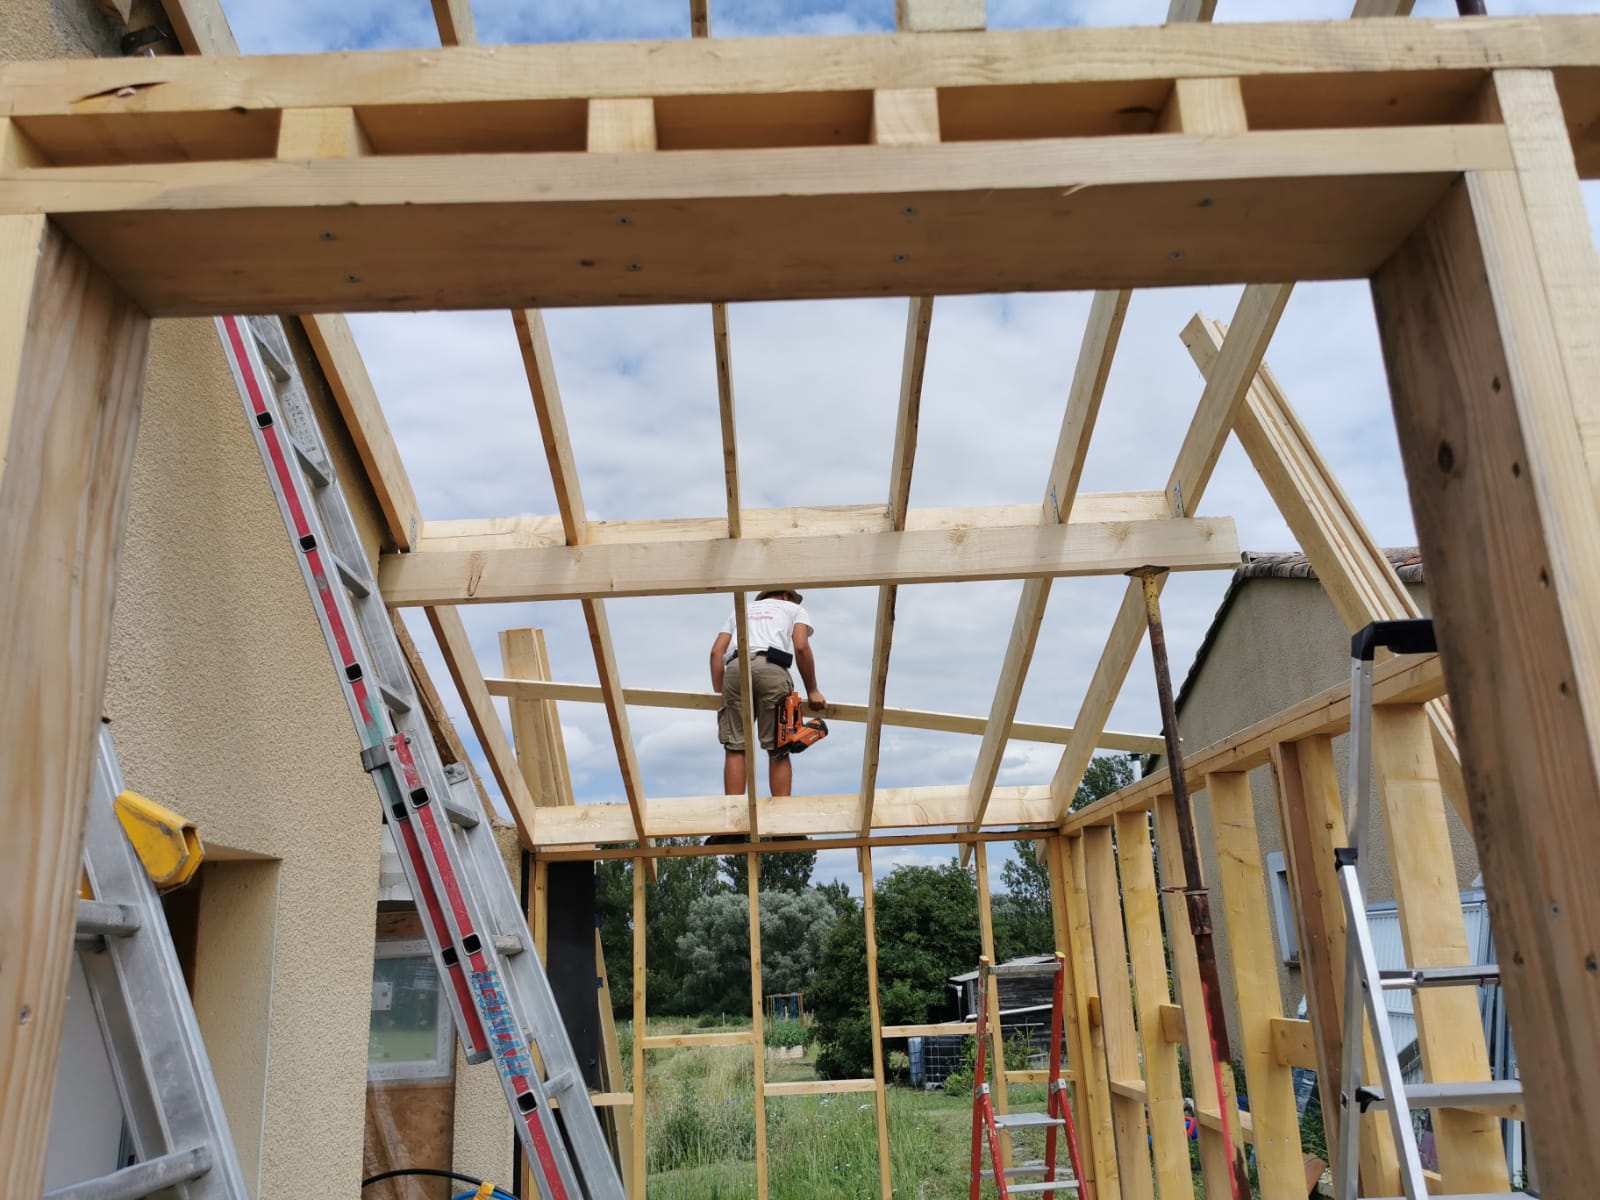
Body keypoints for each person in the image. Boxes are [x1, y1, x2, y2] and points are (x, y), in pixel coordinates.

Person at [709, 588, 826, 798]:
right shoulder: (793, 609)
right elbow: (801, 647)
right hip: (772, 669)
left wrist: (721, 693)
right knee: (779, 747)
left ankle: (733, 816)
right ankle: (780, 817)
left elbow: (716, 652)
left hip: (736, 668)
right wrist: (813, 690)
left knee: (735, 746)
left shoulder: (741, 610)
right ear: (786, 595)